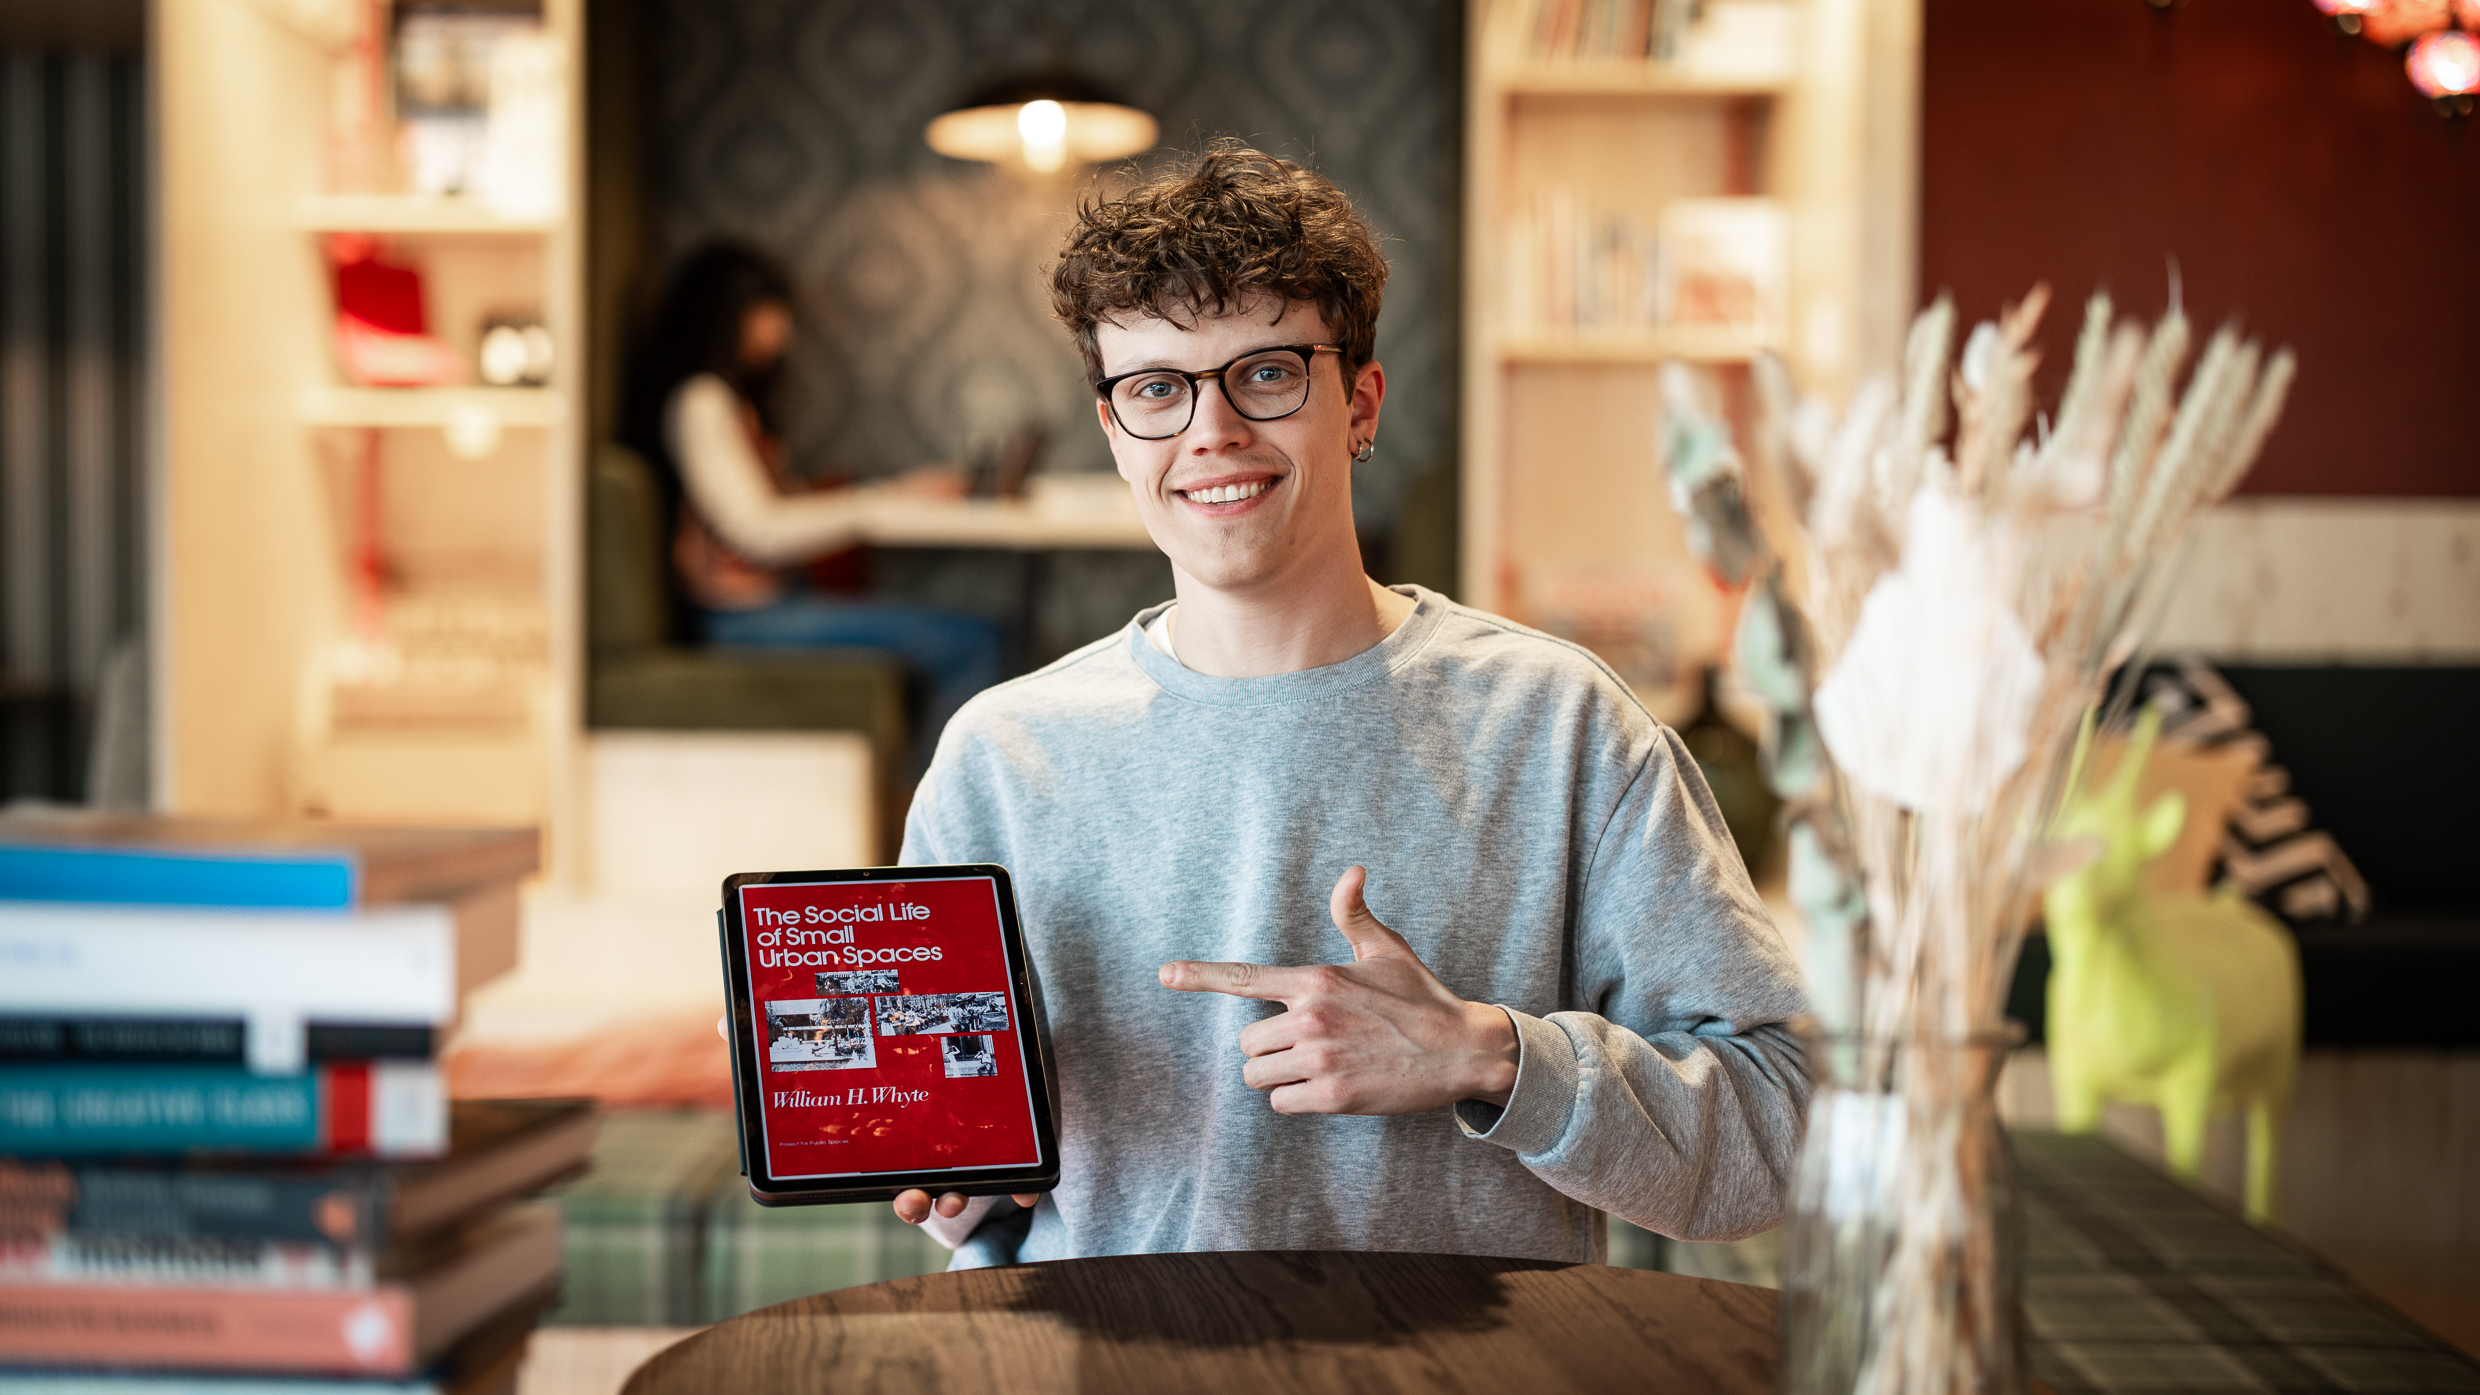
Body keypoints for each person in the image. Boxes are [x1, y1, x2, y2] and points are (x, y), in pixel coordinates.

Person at [891, 144, 1809, 1267]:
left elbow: (1784, 1129)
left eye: (1266, 373)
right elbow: (971, 1195)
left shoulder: (1560, 724)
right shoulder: (1001, 757)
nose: (1211, 432)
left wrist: (1490, 1057)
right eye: (1156, 390)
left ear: (1360, 402)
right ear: (1113, 431)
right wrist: (960, 1182)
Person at [623, 242, 1006, 773]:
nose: (783, 330)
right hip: (742, 619)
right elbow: (758, 530)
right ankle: (944, 832)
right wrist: (873, 508)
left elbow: (774, 511)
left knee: (974, 634)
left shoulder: (724, 401)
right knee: (977, 640)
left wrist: (900, 493)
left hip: (763, 608)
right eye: (770, 310)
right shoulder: (701, 401)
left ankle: (933, 811)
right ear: (730, 313)